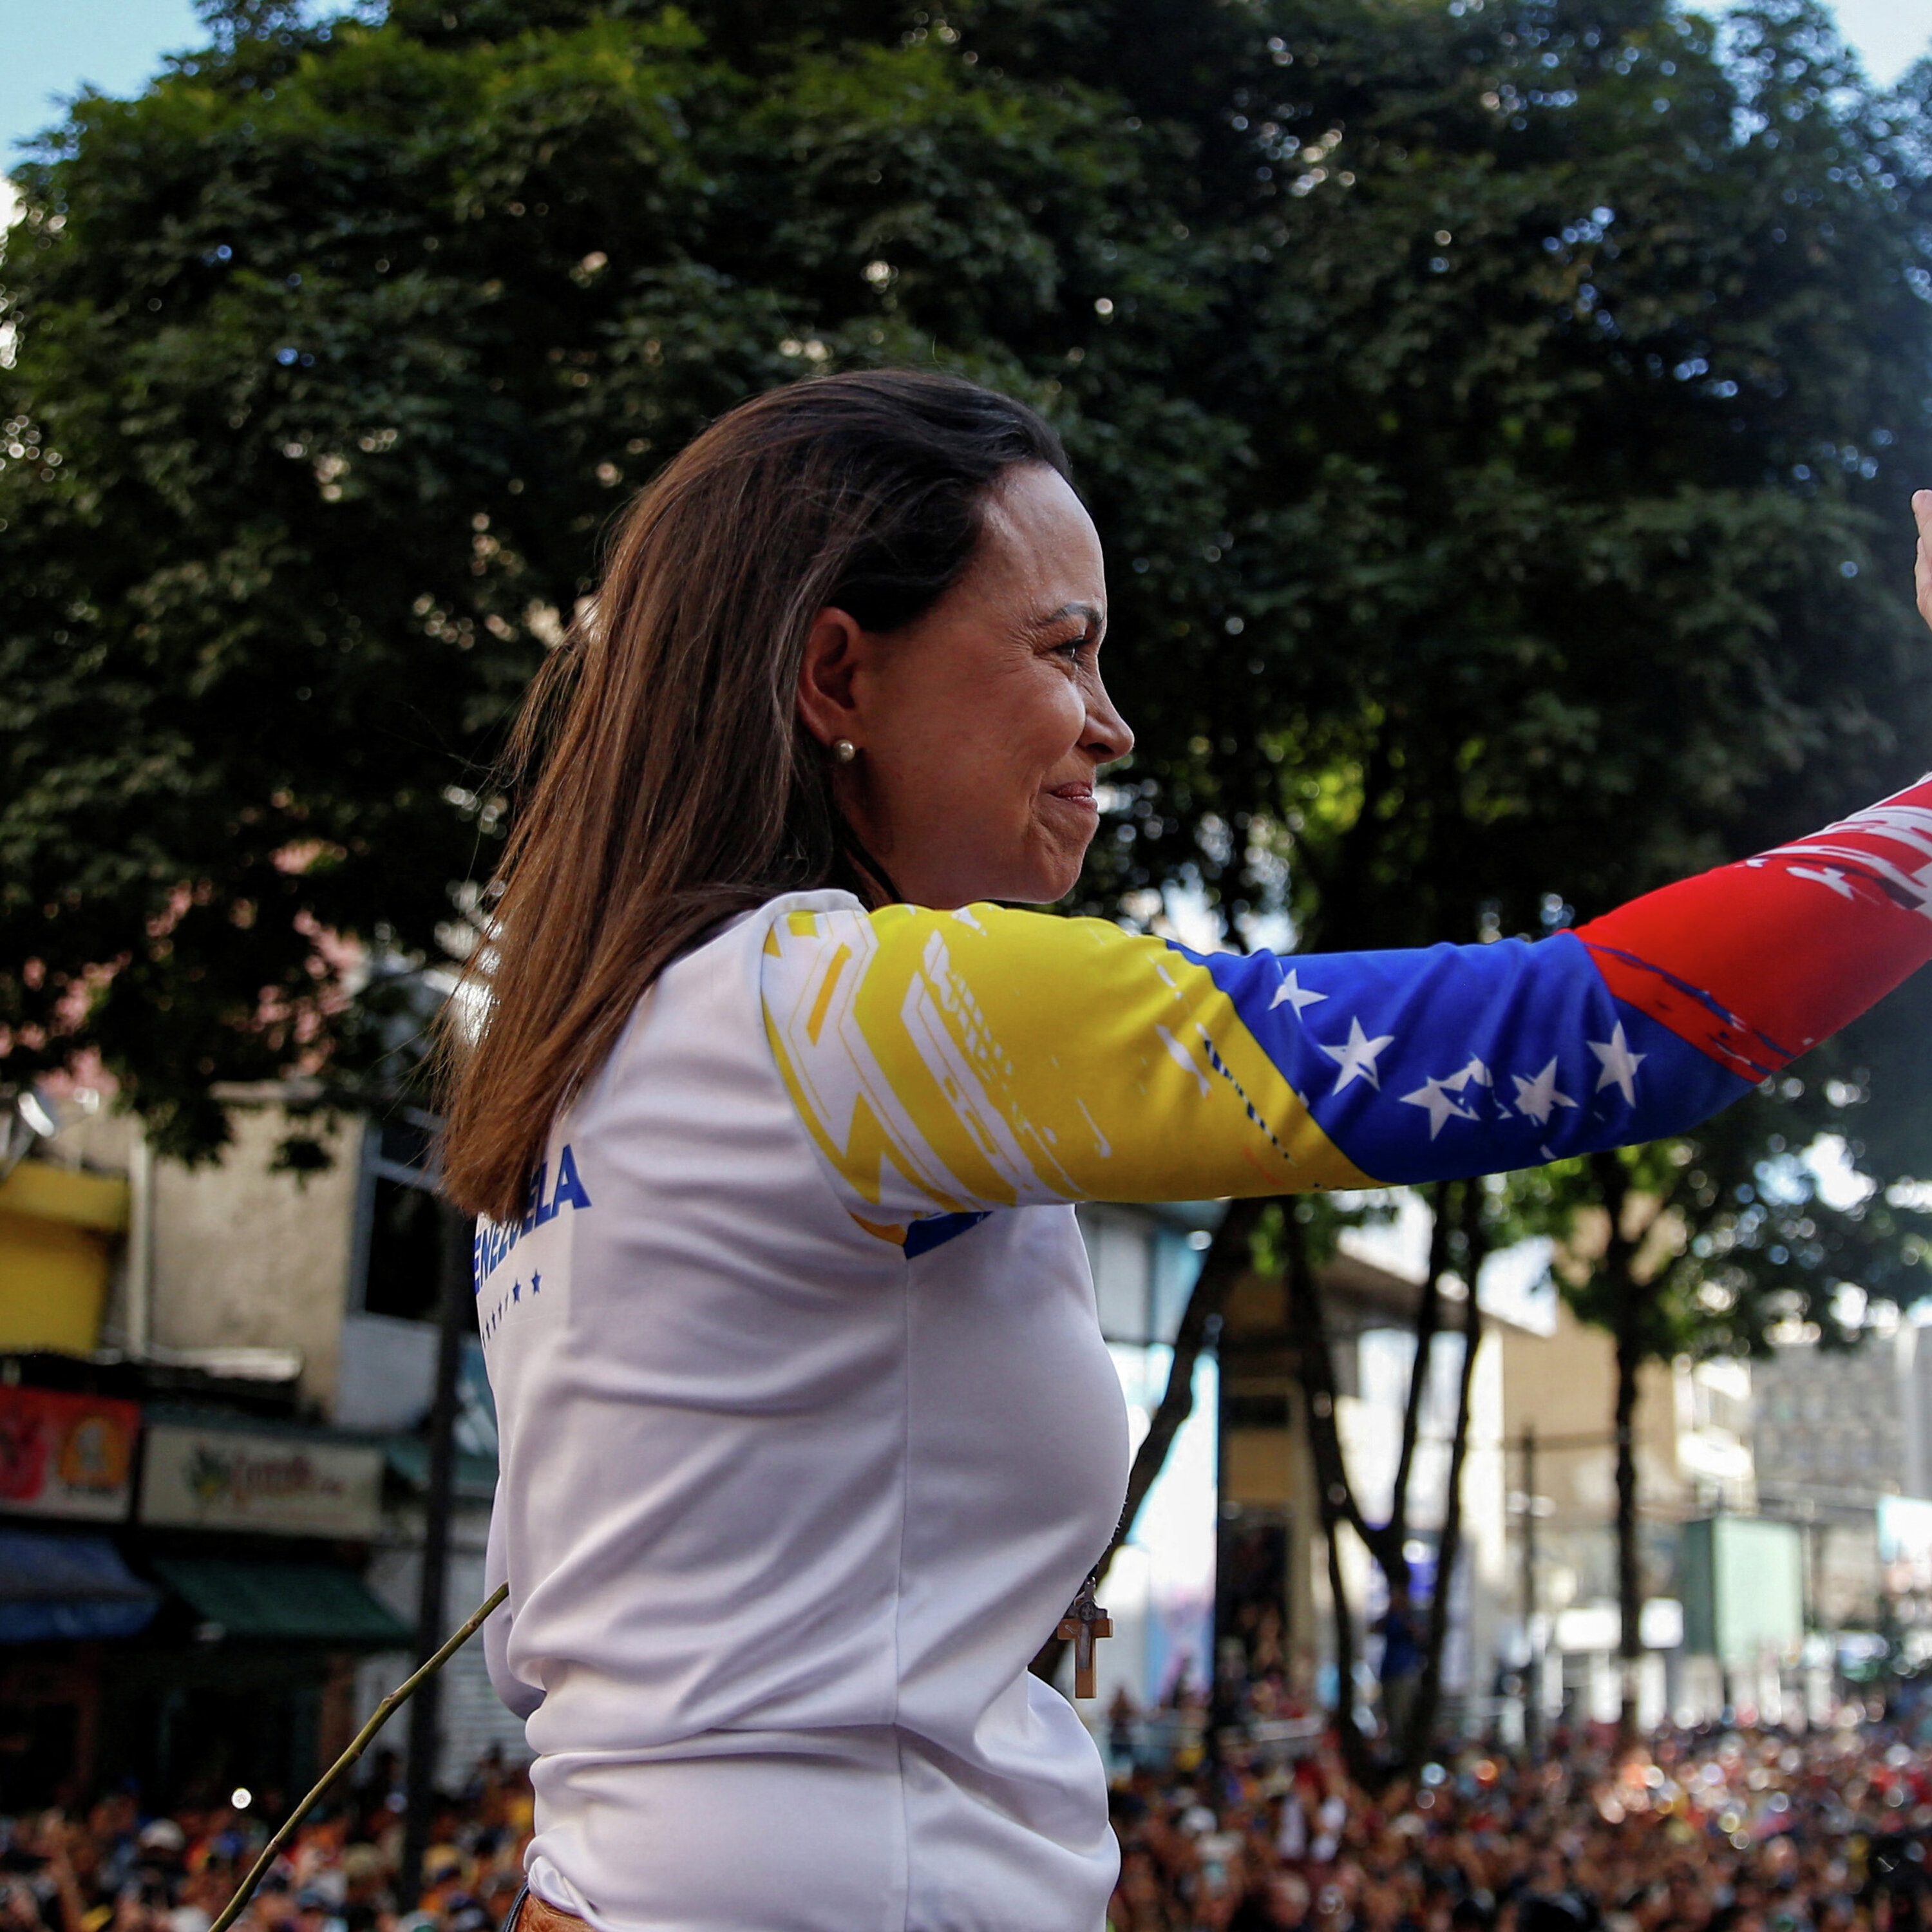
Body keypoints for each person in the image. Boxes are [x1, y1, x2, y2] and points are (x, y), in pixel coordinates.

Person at [439, 368, 1932, 1932]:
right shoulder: (842, 1013)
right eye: (1064, 648)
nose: (1113, 722)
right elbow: (1570, 1035)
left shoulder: (579, 1065)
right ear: (836, 673)